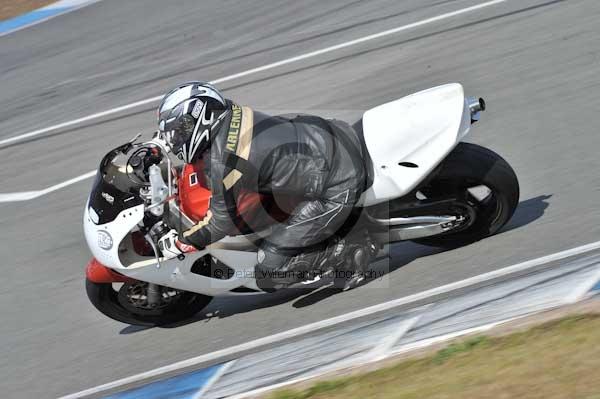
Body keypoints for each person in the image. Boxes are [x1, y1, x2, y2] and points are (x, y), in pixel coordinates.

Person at [156, 81, 372, 291]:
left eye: (180, 130)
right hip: (328, 135)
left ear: (202, 118)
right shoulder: (230, 112)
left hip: (337, 184)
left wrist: (182, 241)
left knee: (268, 274)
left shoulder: (224, 162)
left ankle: (349, 254)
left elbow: (220, 222)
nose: (176, 139)